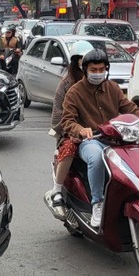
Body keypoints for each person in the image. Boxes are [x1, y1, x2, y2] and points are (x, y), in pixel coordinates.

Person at [60, 47, 139, 228]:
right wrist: (81, 130)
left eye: (101, 70)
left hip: (116, 139)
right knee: (96, 157)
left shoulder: (113, 88)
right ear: (85, 70)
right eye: (94, 70)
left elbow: (130, 108)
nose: (98, 73)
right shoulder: (74, 93)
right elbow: (67, 121)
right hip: (91, 141)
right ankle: (97, 203)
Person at [44, 41, 92, 208]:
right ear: (75, 61)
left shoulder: (102, 84)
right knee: (70, 146)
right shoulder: (66, 85)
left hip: (97, 131)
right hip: (70, 132)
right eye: (82, 60)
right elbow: (59, 115)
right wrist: (74, 131)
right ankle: (56, 190)